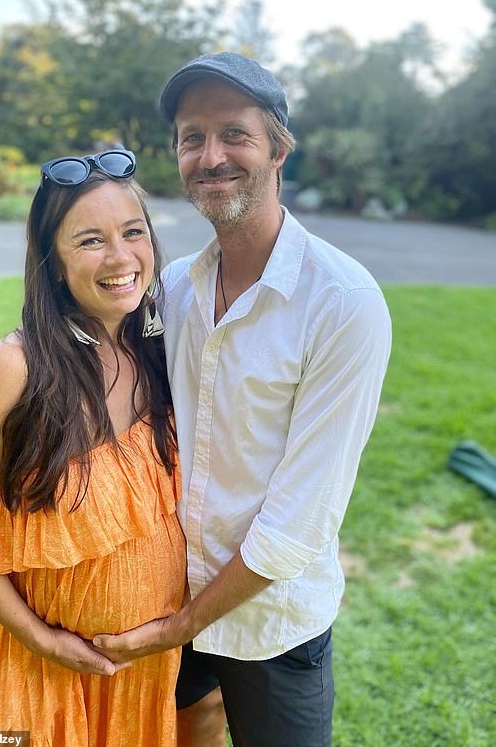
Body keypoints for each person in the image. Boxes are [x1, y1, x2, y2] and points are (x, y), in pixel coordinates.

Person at [94, 53, 392, 747]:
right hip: (166, 581)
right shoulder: (173, 287)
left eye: (234, 133)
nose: (210, 155)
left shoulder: (343, 304)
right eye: (191, 137)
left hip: (268, 615)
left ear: (279, 149)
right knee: (184, 721)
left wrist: (181, 625)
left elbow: (299, 521)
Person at [0, 149, 186, 746]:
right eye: (90, 240)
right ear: (53, 264)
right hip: (35, 673)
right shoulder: (13, 369)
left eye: (133, 233)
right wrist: (39, 637)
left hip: (140, 677)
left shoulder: (157, 352)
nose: (121, 258)